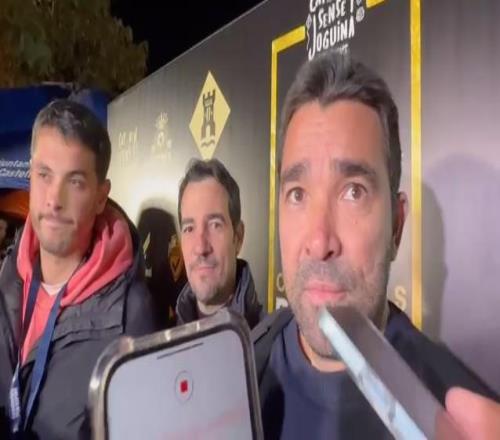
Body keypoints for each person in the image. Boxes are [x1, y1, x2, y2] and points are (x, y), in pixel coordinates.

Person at [252, 50, 497, 438]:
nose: (319, 241)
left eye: (353, 192)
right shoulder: (242, 371)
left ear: (396, 226)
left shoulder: (454, 419)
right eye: (297, 194)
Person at [0, 99, 158, 439]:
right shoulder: (7, 278)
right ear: (30, 176)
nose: (54, 199)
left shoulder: (132, 318)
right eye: (44, 175)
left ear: (101, 197)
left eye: (74, 182)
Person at [176, 158, 264, 329]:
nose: (201, 248)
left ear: (238, 237)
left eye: (215, 225)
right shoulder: (163, 339)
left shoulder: (270, 342)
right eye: (189, 228)